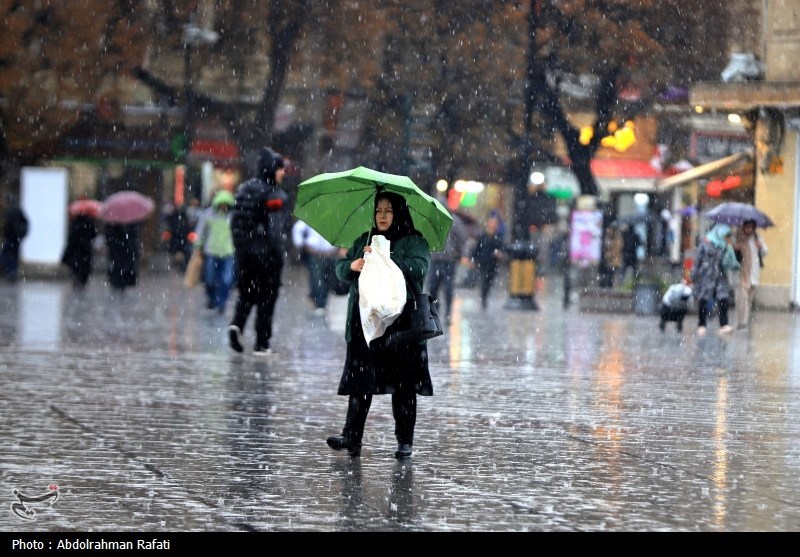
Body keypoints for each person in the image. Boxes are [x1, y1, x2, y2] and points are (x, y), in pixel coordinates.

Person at [326, 191, 433, 460]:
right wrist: (354, 264)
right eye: (378, 211)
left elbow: (419, 269)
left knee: (404, 387)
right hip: (366, 323)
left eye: (388, 211)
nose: (382, 216)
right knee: (361, 382)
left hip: (402, 326)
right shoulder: (365, 240)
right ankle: (351, 437)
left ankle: (404, 442)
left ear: (399, 213)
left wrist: (384, 258)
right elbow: (341, 270)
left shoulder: (414, 241)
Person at [228, 147, 290, 355]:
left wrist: (242, 249)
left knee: (246, 293)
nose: (283, 173)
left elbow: (235, 224)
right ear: (272, 169)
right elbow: (275, 230)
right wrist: (279, 254)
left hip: (244, 254)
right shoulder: (275, 194)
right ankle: (262, 342)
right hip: (267, 257)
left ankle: (237, 324)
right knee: (267, 298)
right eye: (280, 169)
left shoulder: (243, 189)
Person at [691, 223, 740, 337]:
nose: (727, 238)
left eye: (729, 235)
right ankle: (701, 324)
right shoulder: (706, 241)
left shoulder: (726, 245)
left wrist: (730, 249)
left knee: (723, 298)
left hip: (720, 274)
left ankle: (724, 324)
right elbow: (698, 258)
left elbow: (730, 262)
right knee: (704, 298)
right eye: (726, 235)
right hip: (706, 274)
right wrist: (694, 273)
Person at [194, 190, 235, 314]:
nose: (224, 206)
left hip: (228, 252)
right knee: (209, 279)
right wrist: (198, 246)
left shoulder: (233, 216)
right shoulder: (208, 214)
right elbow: (200, 231)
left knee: (227, 280)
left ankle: (221, 303)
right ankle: (212, 299)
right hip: (211, 251)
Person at [426, 208, 468, 324]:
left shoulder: (454, 221)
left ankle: (447, 313)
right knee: (433, 288)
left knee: (448, 288)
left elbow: (462, 239)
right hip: (435, 260)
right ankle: (435, 310)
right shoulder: (431, 221)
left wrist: (458, 253)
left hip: (449, 261)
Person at [292, 219, 341, 316]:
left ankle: (320, 298)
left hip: (331, 253)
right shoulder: (309, 219)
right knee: (317, 277)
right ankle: (320, 303)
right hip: (315, 253)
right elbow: (297, 230)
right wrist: (302, 245)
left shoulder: (336, 219)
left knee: (329, 278)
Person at [733, 219, 767, 330]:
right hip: (741, 273)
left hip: (754, 273)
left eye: (751, 227)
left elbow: (765, 251)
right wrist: (735, 248)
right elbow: (729, 250)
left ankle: (744, 322)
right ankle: (741, 322)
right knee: (741, 298)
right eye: (747, 227)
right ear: (743, 227)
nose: (749, 229)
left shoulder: (757, 238)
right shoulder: (737, 236)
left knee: (749, 300)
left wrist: (760, 246)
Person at [469, 213, 506, 310]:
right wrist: (474, 259)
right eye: (492, 222)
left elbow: (502, 249)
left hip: (493, 264)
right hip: (483, 262)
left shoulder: (498, 237)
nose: (493, 225)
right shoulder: (482, 236)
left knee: (489, 282)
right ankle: (483, 298)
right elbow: (476, 249)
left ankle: (484, 297)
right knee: (484, 281)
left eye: (495, 223)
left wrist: (499, 254)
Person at [61, 212, 98, 289]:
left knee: (76, 268)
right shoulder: (90, 223)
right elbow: (94, 234)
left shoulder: (75, 224)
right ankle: (82, 282)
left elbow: (71, 239)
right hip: (86, 251)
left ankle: (77, 281)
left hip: (76, 251)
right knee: (84, 268)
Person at [1, 194, 29, 282]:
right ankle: (11, 271)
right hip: (16, 237)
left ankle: (9, 271)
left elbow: (8, 225)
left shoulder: (10, 211)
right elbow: (25, 222)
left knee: (8, 253)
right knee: (12, 254)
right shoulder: (17, 210)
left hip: (12, 237)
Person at [105, 222, 140, 292]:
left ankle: (119, 282)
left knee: (119, 267)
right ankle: (119, 282)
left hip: (120, 252)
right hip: (121, 252)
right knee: (120, 267)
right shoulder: (130, 225)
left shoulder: (113, 225)